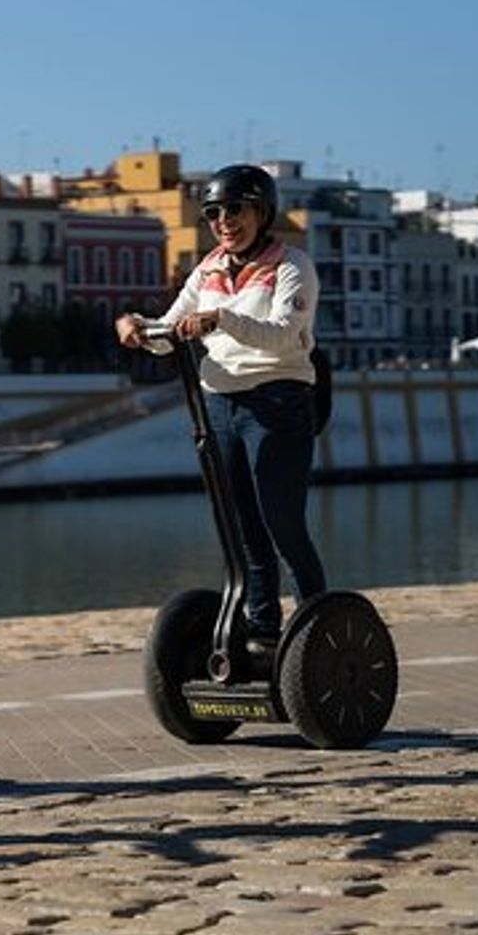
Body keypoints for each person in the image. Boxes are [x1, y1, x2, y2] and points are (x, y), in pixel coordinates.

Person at [114, 163, 326, 661]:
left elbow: (284, 336)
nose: (224, 221)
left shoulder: (292, 266)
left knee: (281, 522)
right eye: (213, 213)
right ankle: (263, 627)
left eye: (236, 209)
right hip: (219, 403)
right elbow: (171, 331)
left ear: (262, 212)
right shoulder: (207, 268)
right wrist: (136, 326)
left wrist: (222, 319)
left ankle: (317, 622)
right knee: (240, 524)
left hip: (278, 401)